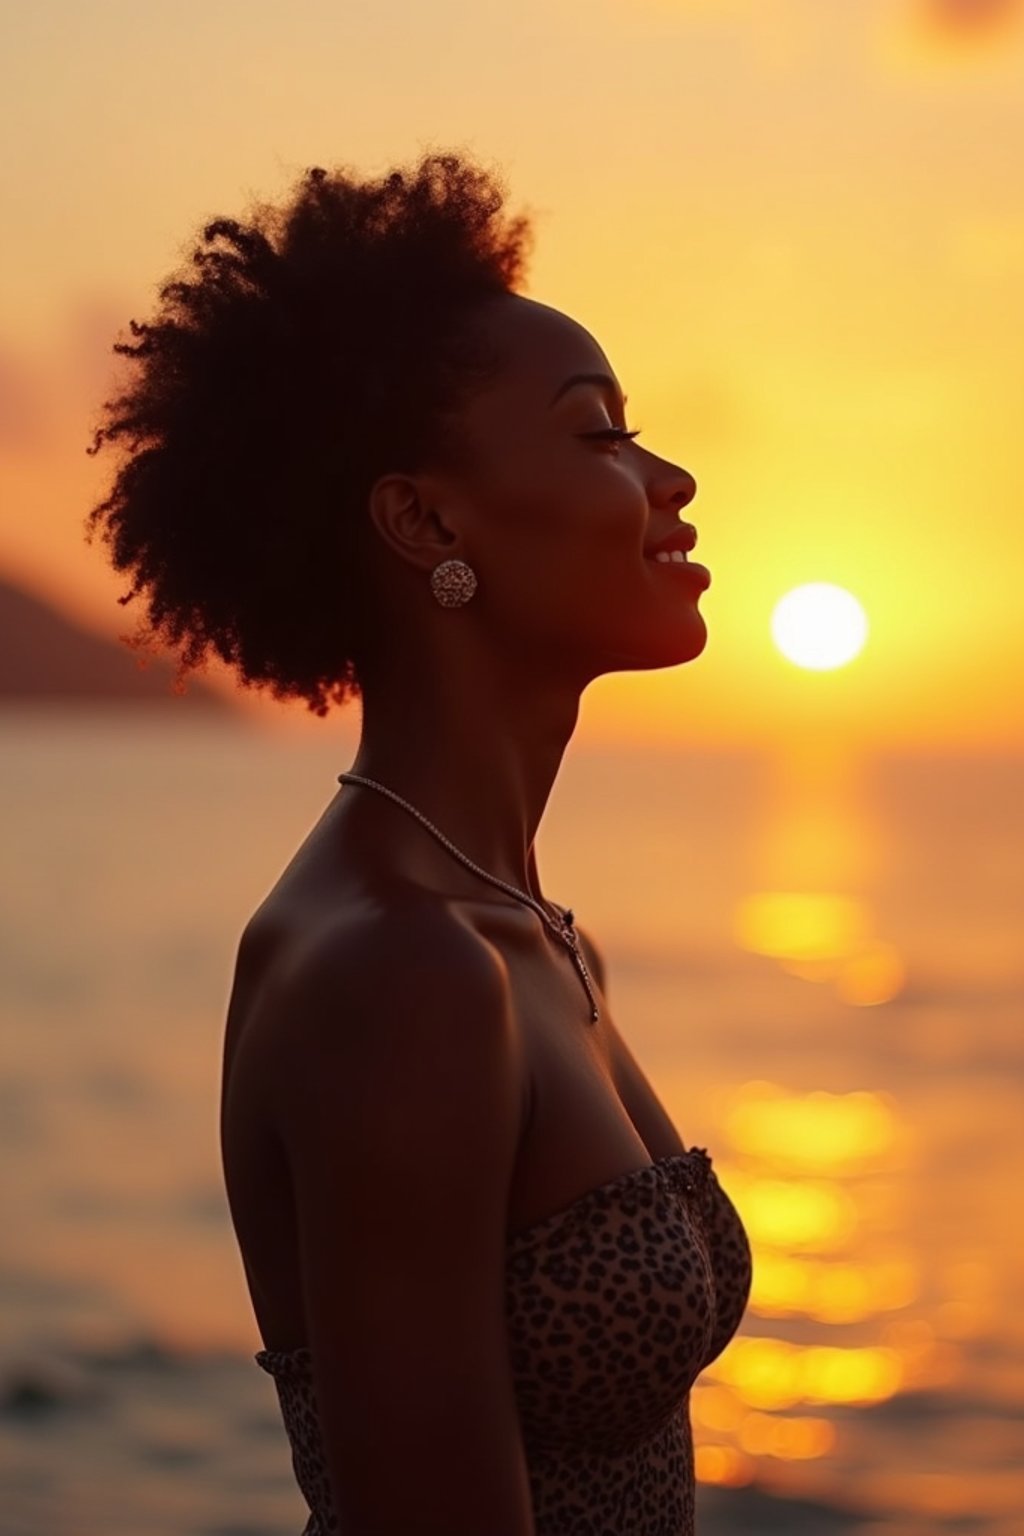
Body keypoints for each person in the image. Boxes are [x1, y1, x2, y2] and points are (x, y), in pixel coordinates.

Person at [83, 147, 752, 1535]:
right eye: (600, 433)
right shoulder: (403, 977)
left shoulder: (532, 936)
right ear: (426, 517)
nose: (669, 476)